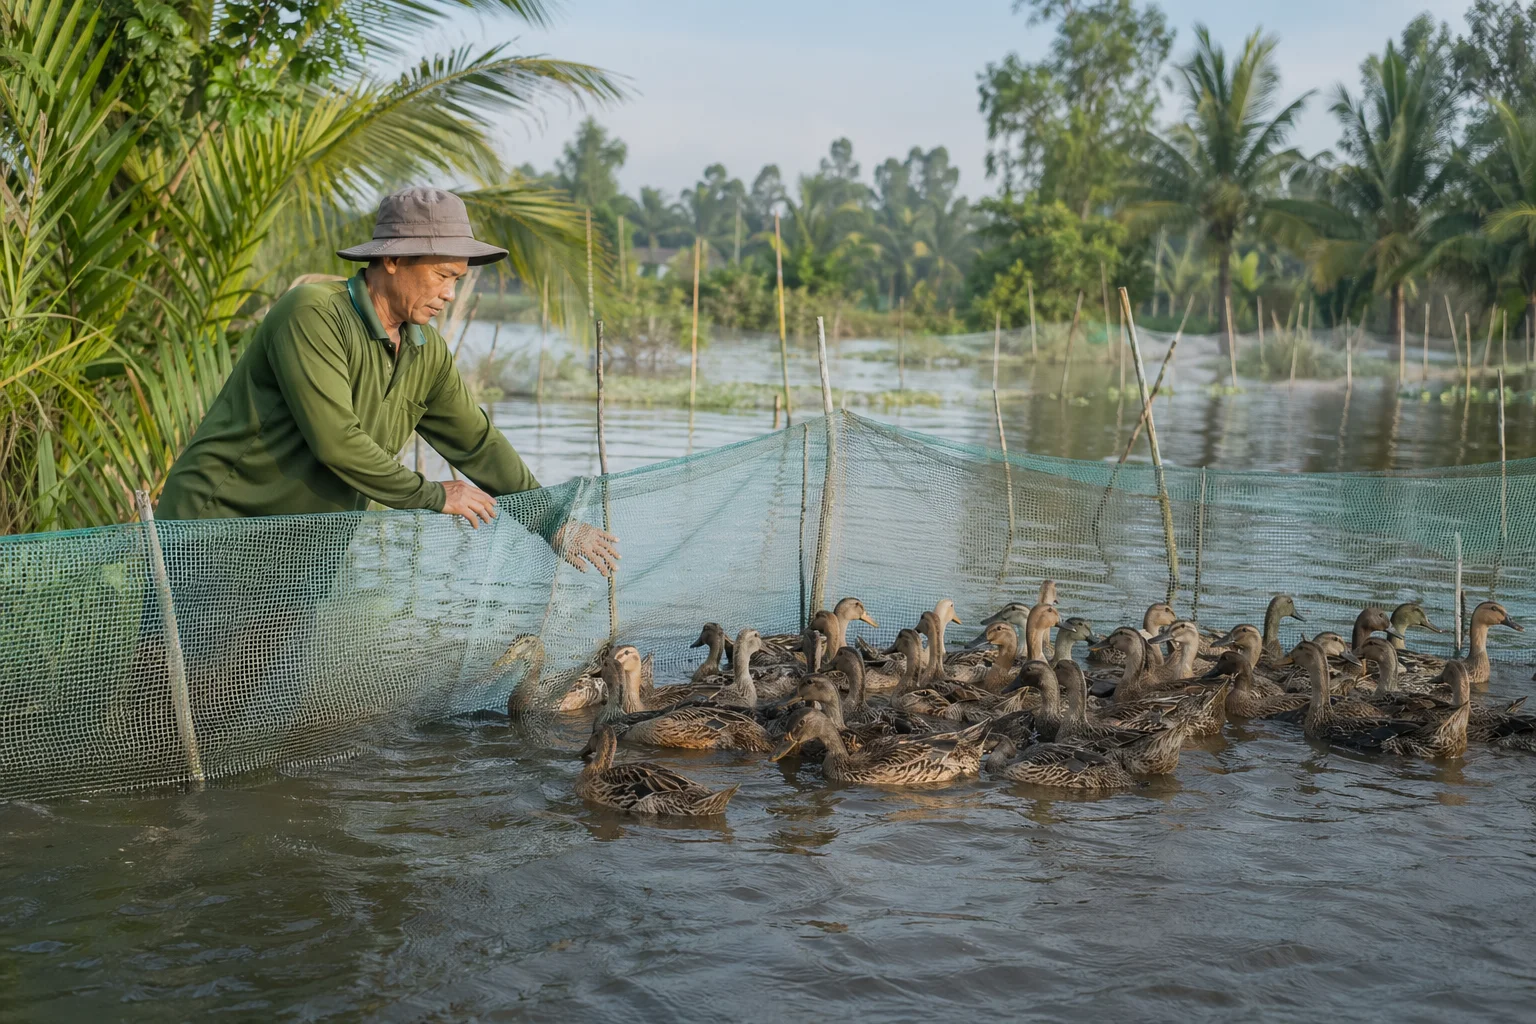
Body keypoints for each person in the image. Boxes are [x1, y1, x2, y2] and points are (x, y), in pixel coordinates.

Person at [158, 186, 618, 574]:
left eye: (457, 278)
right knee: (168, 678)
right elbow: (337, 442)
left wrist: (553, 520)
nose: (449, 294)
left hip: (304, 552)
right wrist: (434, 494)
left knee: (268, 680)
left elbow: (478, 444)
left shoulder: (426, 351)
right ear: (394, 259)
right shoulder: (313, 314)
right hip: (213, 533)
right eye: (441, 275)